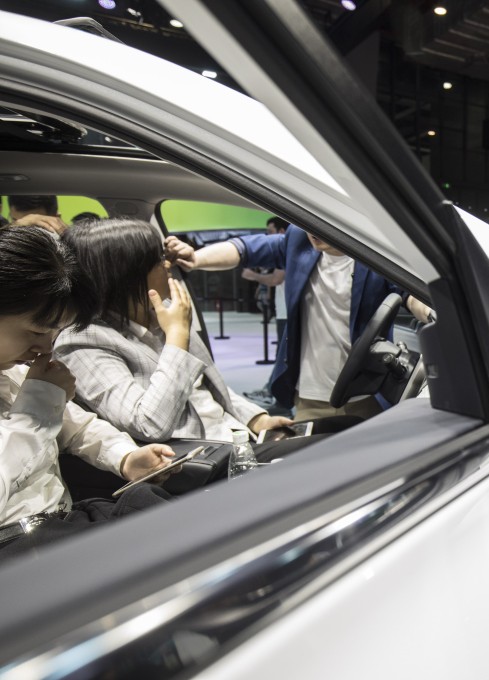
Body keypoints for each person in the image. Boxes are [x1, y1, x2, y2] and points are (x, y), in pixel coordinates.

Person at [0, 226, 175, 557]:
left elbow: (76, 426)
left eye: (54, 333)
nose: (44, 348)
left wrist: (125, 456)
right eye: (36, 331)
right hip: (16, 546)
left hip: (62, 522)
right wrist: (39, 404)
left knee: (167, 518)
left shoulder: (15, 370)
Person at [54, 218, 292, 442]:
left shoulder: (164, 314)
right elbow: (148, 424)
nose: (167, 265)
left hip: (233, 436)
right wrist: (177, 339)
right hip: (199, 459)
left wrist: (256, 419)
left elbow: (209, 386)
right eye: (158, 260)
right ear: (127, 276)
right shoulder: (83, 341)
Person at [165, 225, 432, 421]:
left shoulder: (373, 252)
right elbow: (244, 249)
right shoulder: (297, 240)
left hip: (366, 396)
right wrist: (196, 258)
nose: (313, 231)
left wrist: (431, 311)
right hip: (309, 397)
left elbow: (410, 295)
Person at [241, 217, 289, 405]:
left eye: (270, 231)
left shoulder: (287, 251)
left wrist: (252, 275)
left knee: (283, 357)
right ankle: (272, 393)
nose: (267, 235)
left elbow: (276, 279)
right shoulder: (285, 252)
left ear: (282, 232)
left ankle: (275, 396)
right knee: (282, 356)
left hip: (287, 312)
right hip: (283, 309)